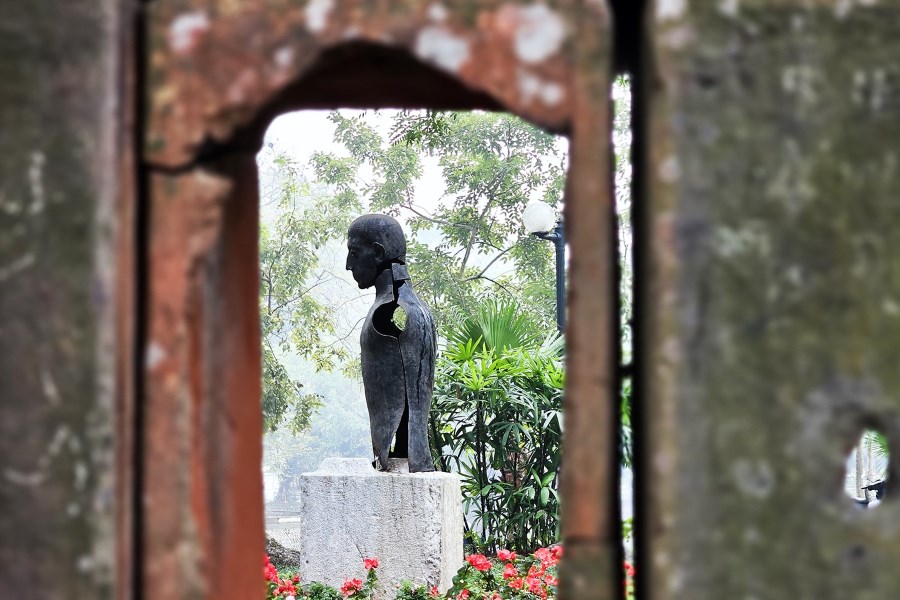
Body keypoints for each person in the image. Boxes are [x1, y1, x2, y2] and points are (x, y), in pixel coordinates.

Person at [346, 214, 437, 473]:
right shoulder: (415, 309)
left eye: (354, 252)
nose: (349, 265)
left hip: (401, 461)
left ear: (377, 252)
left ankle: (396, 450)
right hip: (411, 458)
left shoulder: (398, 308)